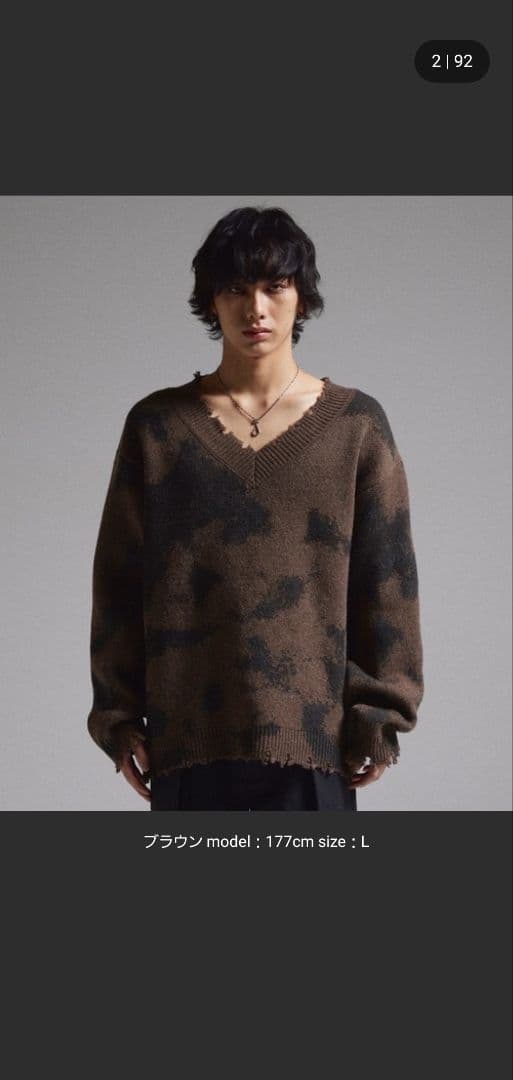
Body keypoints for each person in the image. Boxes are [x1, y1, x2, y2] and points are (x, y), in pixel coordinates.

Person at [86, 205, 424, 810]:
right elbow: (118, 581)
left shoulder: (356, 427)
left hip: (317, 748)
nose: (256, 309)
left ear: (302, 296)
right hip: (188, 744)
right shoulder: (157, 427)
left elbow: (387, 580)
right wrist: (118, 717)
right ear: (211, 301)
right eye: (236, 289)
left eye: (275, 286)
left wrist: (380, 715)